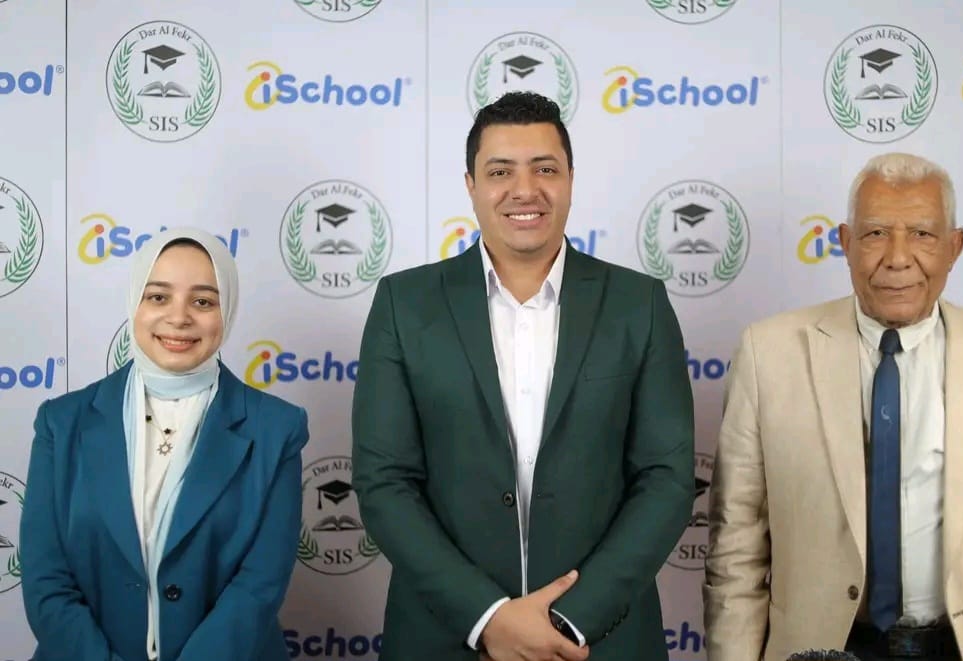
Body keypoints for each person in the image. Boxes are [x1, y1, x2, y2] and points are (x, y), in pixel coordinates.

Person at [351, 91, 695, 661]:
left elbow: (667, 479)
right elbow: (384, 482)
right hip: (446, 637)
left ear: (571, 179)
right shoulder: (403, 304)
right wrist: (488, 618)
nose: (524, 189)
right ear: (470, 185)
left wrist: (567, 623)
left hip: (598, 641)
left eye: (545, 169)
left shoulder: (640, 305)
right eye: (500, 171)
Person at [703, 152, 963, 661]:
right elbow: (736, 548)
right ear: (845, 242)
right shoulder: (767, 355)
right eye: (876, 233)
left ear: (955, 247)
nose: (898, 258)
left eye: (922, 234)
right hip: (824, 650)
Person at [20, 228, 309, 661]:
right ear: (135, 303)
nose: (179, 318)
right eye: (158, 297)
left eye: (203, 301)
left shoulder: (277, 428)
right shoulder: (61, 423)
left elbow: (259, 584)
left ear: (227, 310)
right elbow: (46, 579)